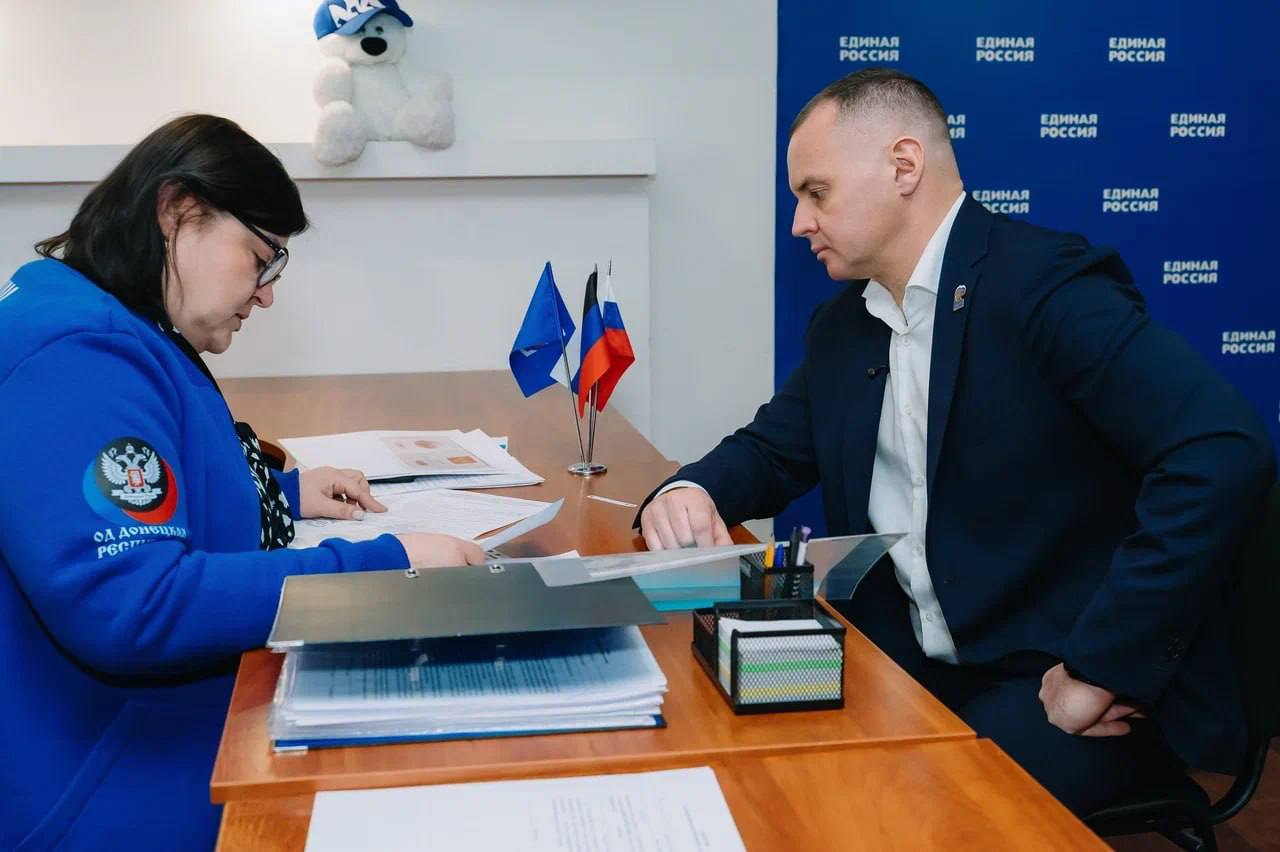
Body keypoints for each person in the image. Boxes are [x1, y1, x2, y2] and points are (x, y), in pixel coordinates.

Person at [638, 69, 1275, 815]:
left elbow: (1220, 448)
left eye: (817, 192)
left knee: (913, 810)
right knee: (736, 745)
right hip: (906, 661)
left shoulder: (1045, 286)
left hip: (1058, 677)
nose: (799, 223)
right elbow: (774, 449)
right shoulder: (846, 325)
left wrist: (1099, 669)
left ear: (904, 166)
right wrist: (690, 490)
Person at [0, 114, 484, 851]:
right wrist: (384, 567)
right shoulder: (77, 354)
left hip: (157, 739)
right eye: (261, 258)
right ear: (178, 212)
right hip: (112, 787)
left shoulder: (117, 327)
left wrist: (279, 496)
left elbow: (147, 495)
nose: (264, 294)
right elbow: (134, 605)